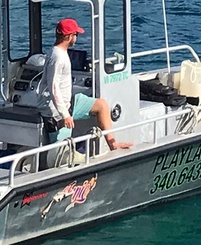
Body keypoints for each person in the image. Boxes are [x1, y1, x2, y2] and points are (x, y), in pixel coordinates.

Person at [36, 18, 132, 152]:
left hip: (68, 103)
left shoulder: (55, 52)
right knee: (61, 153)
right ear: (68, 36)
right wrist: (65, 115)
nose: (77, 37)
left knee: (101, 105)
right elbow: (53, 88)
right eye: (76, 34)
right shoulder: (58, 57)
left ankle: (112, 144)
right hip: (56, 112)